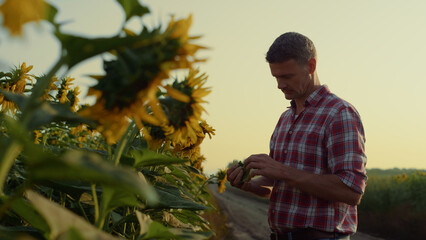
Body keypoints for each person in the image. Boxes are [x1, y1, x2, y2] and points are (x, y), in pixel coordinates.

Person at [227, 32, 367, 240]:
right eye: (275, 77)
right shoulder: (285, 119)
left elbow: (352, 191)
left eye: (286, 76)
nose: (279, 84)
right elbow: (276, 187)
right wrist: (248, 184)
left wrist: (282, 171)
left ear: (311, 66)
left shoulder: (339, 114)